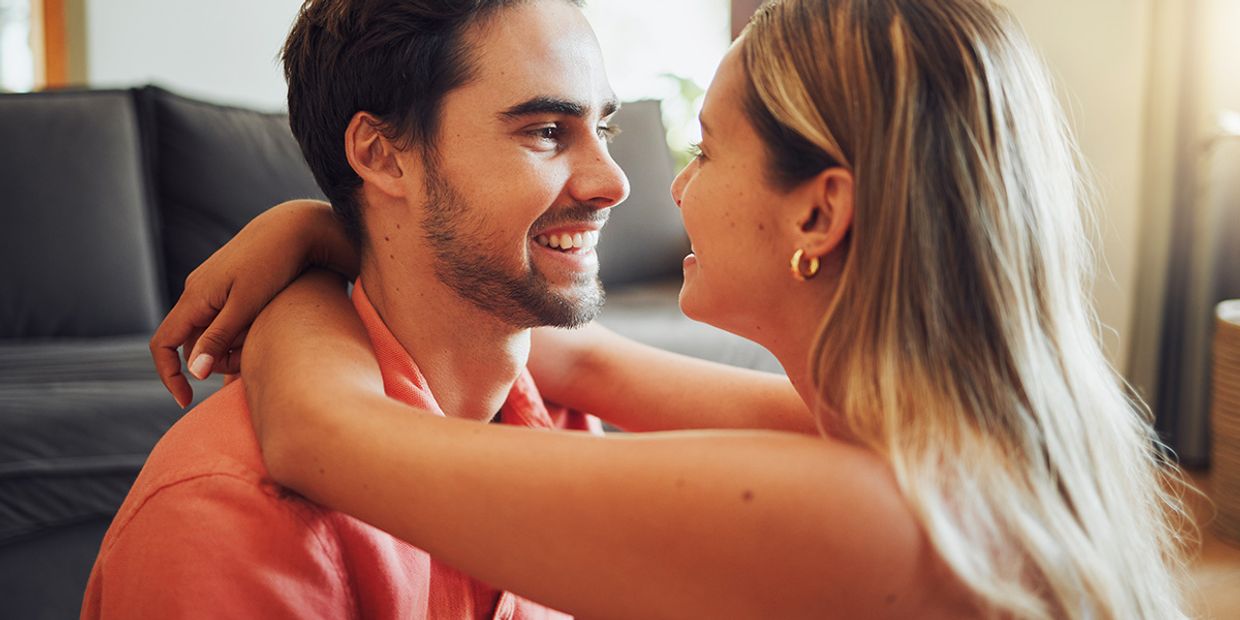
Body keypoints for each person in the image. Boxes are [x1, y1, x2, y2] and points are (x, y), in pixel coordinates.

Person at [153, 0, 1192, 617]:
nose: (638, 183)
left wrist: (314, 256)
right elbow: (581, 361)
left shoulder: (869, 509)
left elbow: (324, 431)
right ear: (379, 153)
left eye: (708, 145)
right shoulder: (969, 437)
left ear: (822, 212)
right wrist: (334, 228)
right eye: (549, 131)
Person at [80, 0, 706, 617]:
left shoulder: (564, 420)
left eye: (605, 128)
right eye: (545, 131)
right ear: (381, 154)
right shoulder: (230, 519)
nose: (616, 181)